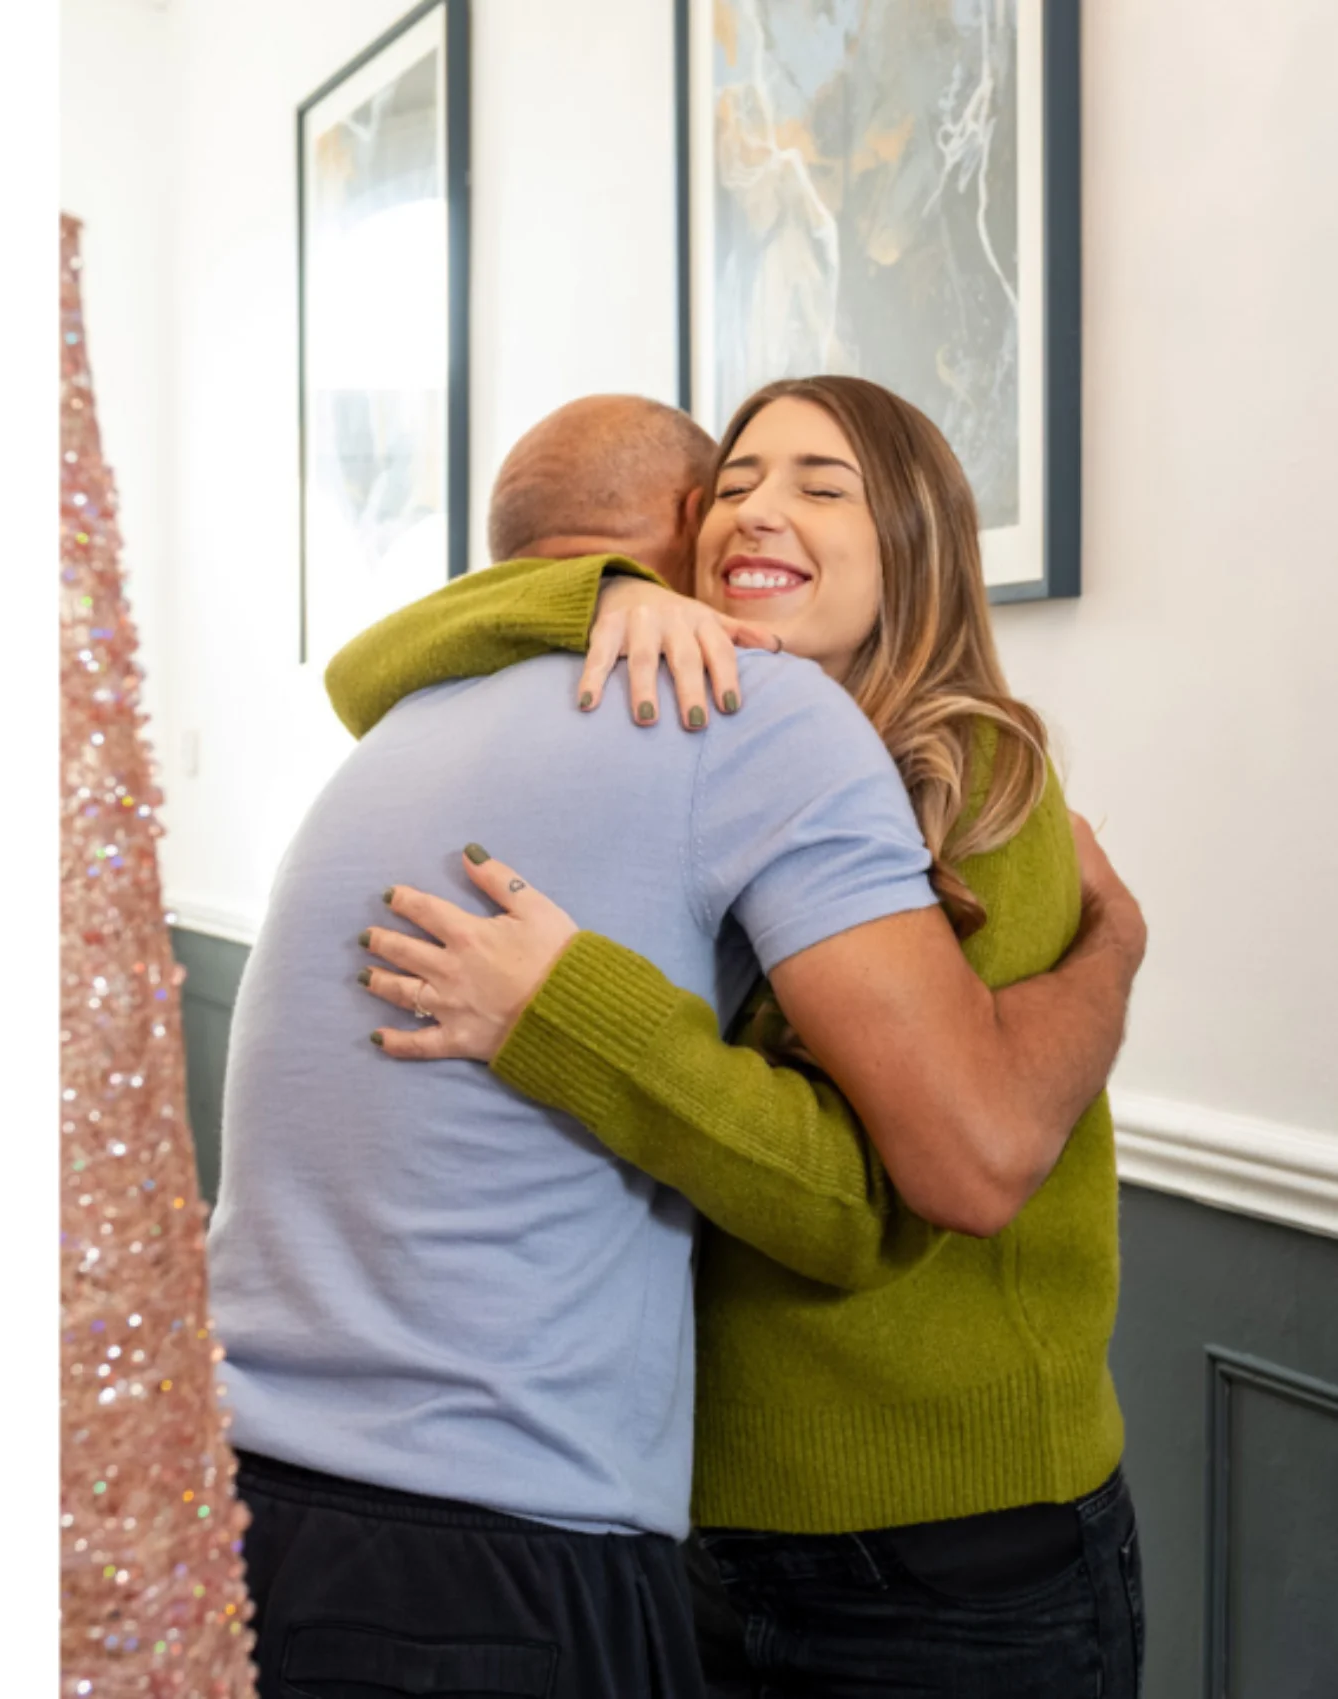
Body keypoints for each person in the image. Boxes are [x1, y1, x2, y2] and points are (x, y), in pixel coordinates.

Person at [205, 394, 1139, 1698]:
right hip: (698, 1530)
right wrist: (595, 592)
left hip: (948, 1554)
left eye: (823, 486)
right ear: (686, 533)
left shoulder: (974, 771)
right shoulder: (709, 717)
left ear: (914, 541)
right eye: (739, 481)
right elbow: (380, 658)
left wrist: (1111, 952)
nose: (763, 508)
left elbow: (963, 1164)